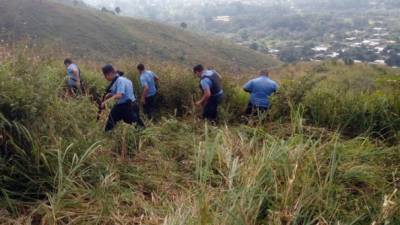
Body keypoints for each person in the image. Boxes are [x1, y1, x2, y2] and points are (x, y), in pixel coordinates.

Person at [100, 64, 145, 131]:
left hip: (125, 106)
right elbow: (123, 93)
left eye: (105, 76)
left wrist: (105, 102)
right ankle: (144, 133)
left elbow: (119, 95)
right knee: (136, 123)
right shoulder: (125, 80)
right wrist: (109, 95)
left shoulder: (119, 80)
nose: (105, 78)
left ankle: (107, 134)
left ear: (109, 74)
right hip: (133, 104)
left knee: (112, 120)